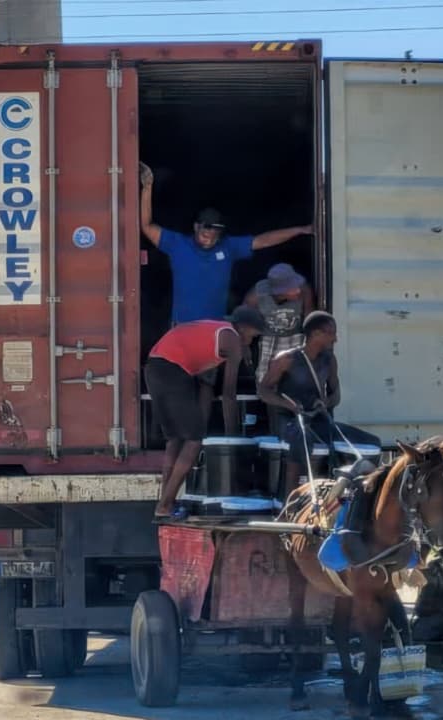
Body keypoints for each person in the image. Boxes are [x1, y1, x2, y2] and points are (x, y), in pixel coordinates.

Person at [139, 162, 312, 324]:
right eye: (206, 232)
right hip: (183, 327)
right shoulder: (177, 244)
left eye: (215, 234)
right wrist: (147, 187)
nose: (209, 237)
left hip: (215, 328)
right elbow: (147, 226)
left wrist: (299, 230)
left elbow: (264, 240)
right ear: (196, 227)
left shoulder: (229, 246)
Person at [144, 306, 265, 520]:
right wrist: (234, 439)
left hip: (154, 367)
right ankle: (165, 504)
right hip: (173, 370)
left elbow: (204, 383)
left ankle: (165, 502)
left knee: (175, 440)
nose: (252, 341)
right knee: (194, 441)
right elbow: (228, 394)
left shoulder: (217, 331)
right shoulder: (233, 341)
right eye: (254, 335)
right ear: (244, 328)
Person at [257, 311, 379, 487]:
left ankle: (363, 493)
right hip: (289, 421)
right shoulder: (287, 359)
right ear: (315, 334)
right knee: (302, 438)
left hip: (318, 421)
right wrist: (288, 405)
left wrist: (326, 402)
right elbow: (263, 391)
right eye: (331, 333)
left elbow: (336, 394)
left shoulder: (329, 360)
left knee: (372, 442)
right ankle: (291, 498)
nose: (335, 339)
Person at [243, 262, 315, 383]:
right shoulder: (255, 296)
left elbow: (310, 320)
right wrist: (245, 347)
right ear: (279, 292)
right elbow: (245, 324)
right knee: (266, 380)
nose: (298, 290)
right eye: (292, 288)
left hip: (297, 336)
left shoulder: (304, 289)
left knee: (299, 379)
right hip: (269, 337)